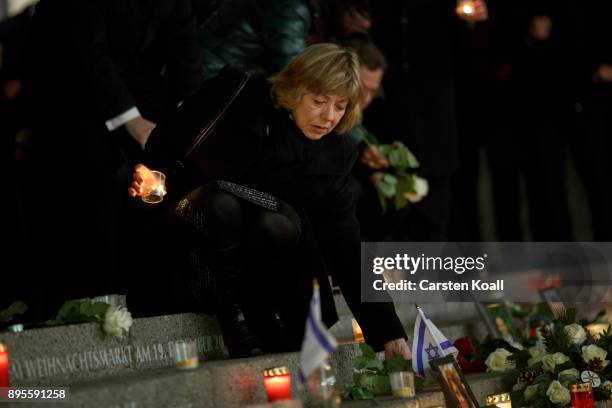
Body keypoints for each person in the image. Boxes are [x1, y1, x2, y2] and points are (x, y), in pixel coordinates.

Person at [130, 43, 410, 360]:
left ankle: (260, 315)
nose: (329, 117)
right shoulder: (237, 95)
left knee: (278, 221)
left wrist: (388, 331)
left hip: (274, 273)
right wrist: (152, 175)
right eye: (319, 102)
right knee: (222, 201)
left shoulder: (335, 154)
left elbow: (346, 244)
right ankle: (231, 313)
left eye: (340, 106)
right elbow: (165, 142)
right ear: (294, 90)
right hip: (196, 240)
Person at [21, 0, 203, 316]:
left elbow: (186, 61)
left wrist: (192, 125)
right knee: (105, 179)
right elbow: (89, 55)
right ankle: (91, 298)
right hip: (76, 103)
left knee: (171, 187)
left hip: (144, 102)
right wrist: (132, 122)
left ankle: (153, 299)